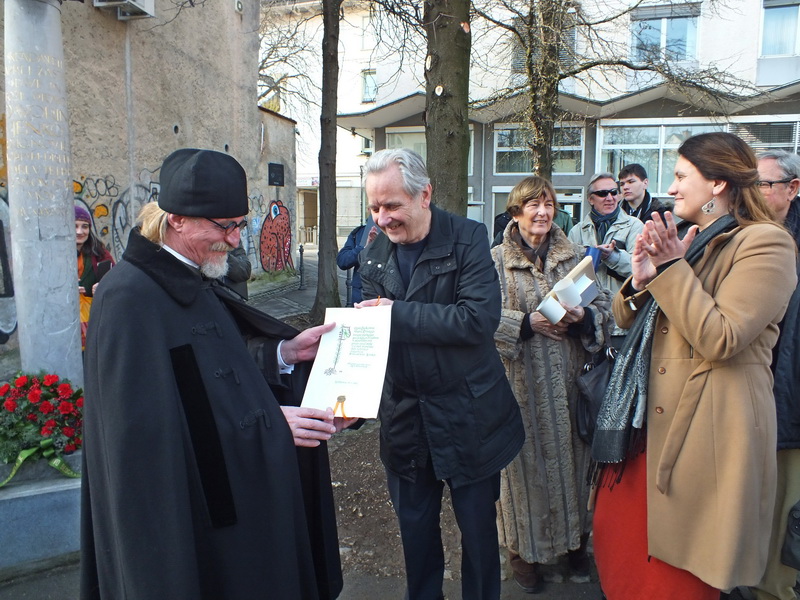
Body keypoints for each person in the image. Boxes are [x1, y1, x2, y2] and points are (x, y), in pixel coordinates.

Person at [81, 148, 354, 599]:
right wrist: (268, 424)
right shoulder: (128, 298)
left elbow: (214, 370)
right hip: (187, 525)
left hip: (230, 509)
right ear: (176, 220)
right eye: (224, 227)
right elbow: (144, 439)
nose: (235, 240)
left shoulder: (194, 276)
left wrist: (283, 352)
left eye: (240, 224)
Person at [590, 132, 797, 599]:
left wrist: (670, 268)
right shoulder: (694, 240)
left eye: (682, 175)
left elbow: (721, 337)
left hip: (705, 431)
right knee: (620, 550)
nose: (672, 187)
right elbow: (627, 319)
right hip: (644, 425)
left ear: (717, 183)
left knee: (676, 575)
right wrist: (641, 280)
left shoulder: (766, 243)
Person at [356, 148, 525, 600]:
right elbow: (369, 336)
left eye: (392, 205)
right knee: (415, 536)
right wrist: (349, 392)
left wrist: (395, 314)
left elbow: (477, 320)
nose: (382, 219)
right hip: (406, 420)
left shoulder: (468, 237)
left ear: (425, 195)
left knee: (478, 534)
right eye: (374, 207)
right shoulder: (373, 252)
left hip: (469, 415)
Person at [491, 176, 612, 593]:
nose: (542, 212)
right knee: (522, 475)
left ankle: (575, 543)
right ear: (516, 211)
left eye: (548, 204)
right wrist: (526, 323)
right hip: (519, 388)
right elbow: (476, 318)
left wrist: (585, 320)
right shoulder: (494, 262)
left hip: (569, 387)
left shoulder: (574, 257)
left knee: (574, 470)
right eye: (533, 205)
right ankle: (522, 552)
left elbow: (605, 311)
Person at [743, 150, 800, 600]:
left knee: (785, 509)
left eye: (763, 184)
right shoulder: (742, 235)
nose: (754, 193)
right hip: (750, 396)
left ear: (792, 188)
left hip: (790, 399)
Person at [568, 173, 643, 346]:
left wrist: (613, 257)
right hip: (589, 321)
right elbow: (569, 275)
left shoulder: (635, 226)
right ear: (590, 199)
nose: (610, 198)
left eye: (614, 192)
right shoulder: (577, 231)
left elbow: (641, 271)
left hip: (622, 321)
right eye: (602, 193)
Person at [76, 205, 114, 350]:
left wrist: (103, 286)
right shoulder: (54, 254)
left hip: (95, 316)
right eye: (75, 226)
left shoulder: (99, 252)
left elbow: (115, 278)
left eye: (84, 226)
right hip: (64, 319)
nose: (80, 232)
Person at [757, 150, 800, 240]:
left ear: (792, 189)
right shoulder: (731, 223)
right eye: (748, 183)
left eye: (763, 184)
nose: (751, 191)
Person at [336, 216, 378, 305]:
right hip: (360, 297)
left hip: (385, 299)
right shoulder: (358, 233)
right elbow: (342, 261)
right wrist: (363, 249)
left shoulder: (397, 232)